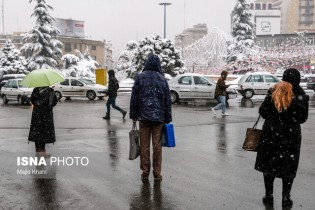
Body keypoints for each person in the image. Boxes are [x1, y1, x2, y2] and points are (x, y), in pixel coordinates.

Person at [254, 68, 309, 208]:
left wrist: (275, 117)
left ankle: (269, 194)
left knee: (269, 165)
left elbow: (262, 111)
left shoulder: (274, 91)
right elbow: (303, 118)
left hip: (271, 134)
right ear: (297, 79)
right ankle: (286, 196)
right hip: (291, 136)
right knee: (288, 166)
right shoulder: (300, 94)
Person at [130, 53, 172, 183]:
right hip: (158, 119)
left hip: (144, 117)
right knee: (157, 146)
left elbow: (134, 98)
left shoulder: (140, 78)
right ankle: (157, 174)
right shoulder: (162, 79)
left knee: (144, 146)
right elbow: (167, 100)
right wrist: (167, 117)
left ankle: (145, 172)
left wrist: (134, 115)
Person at [28, 86, 58, 156]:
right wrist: (49, 106)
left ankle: (38, 149)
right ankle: (42, 150)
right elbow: (55, 101)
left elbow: (32, 100)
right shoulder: (50, 90)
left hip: (37, 113)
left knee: (37, 131)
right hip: (46, 114)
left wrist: (38, 104)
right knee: (44, 131)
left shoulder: (36, 90)